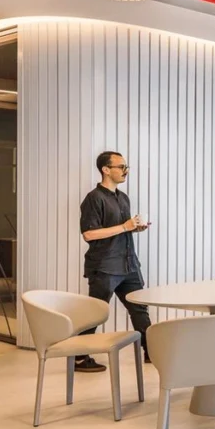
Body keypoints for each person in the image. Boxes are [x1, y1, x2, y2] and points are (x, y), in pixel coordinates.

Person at [77, 151, 152, 372]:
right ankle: (79, 357)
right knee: (96, 312)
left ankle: (151, 352)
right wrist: (124, 226)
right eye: (121, 167)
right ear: (106, 170)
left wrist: (134, 229)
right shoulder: (93, 198)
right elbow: (89, 234)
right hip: (105, 267)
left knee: (140, 309)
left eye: (126, 166)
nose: (125, 171)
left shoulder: (123, 197)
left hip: (128, 264)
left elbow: (119, 231)